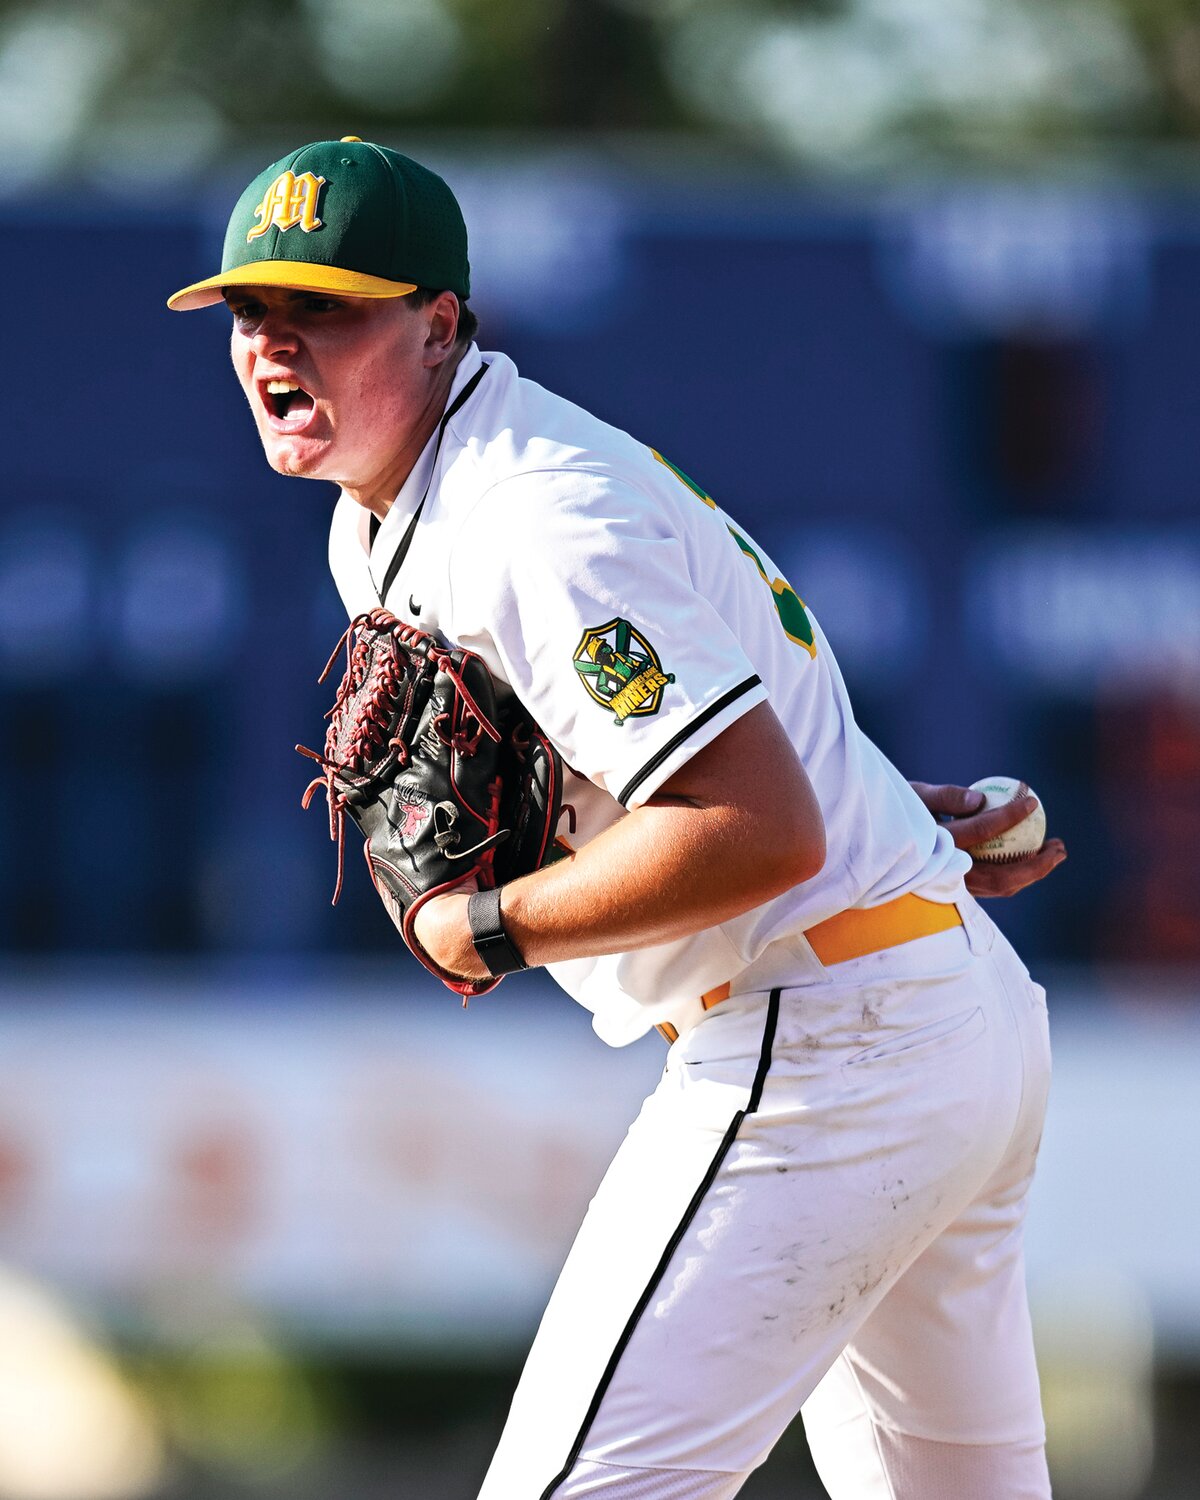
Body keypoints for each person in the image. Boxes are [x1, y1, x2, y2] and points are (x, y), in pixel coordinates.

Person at [170, 137, 1067, 1500]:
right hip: (927, 1005)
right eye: (251, 309)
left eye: (326, 309)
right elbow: (766, 773)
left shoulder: (533, 516)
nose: (273, 342)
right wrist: (888, 809)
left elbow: (759, 832)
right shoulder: (415, 494)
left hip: (828, 1047)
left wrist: (492, 924)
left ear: (438, 324)